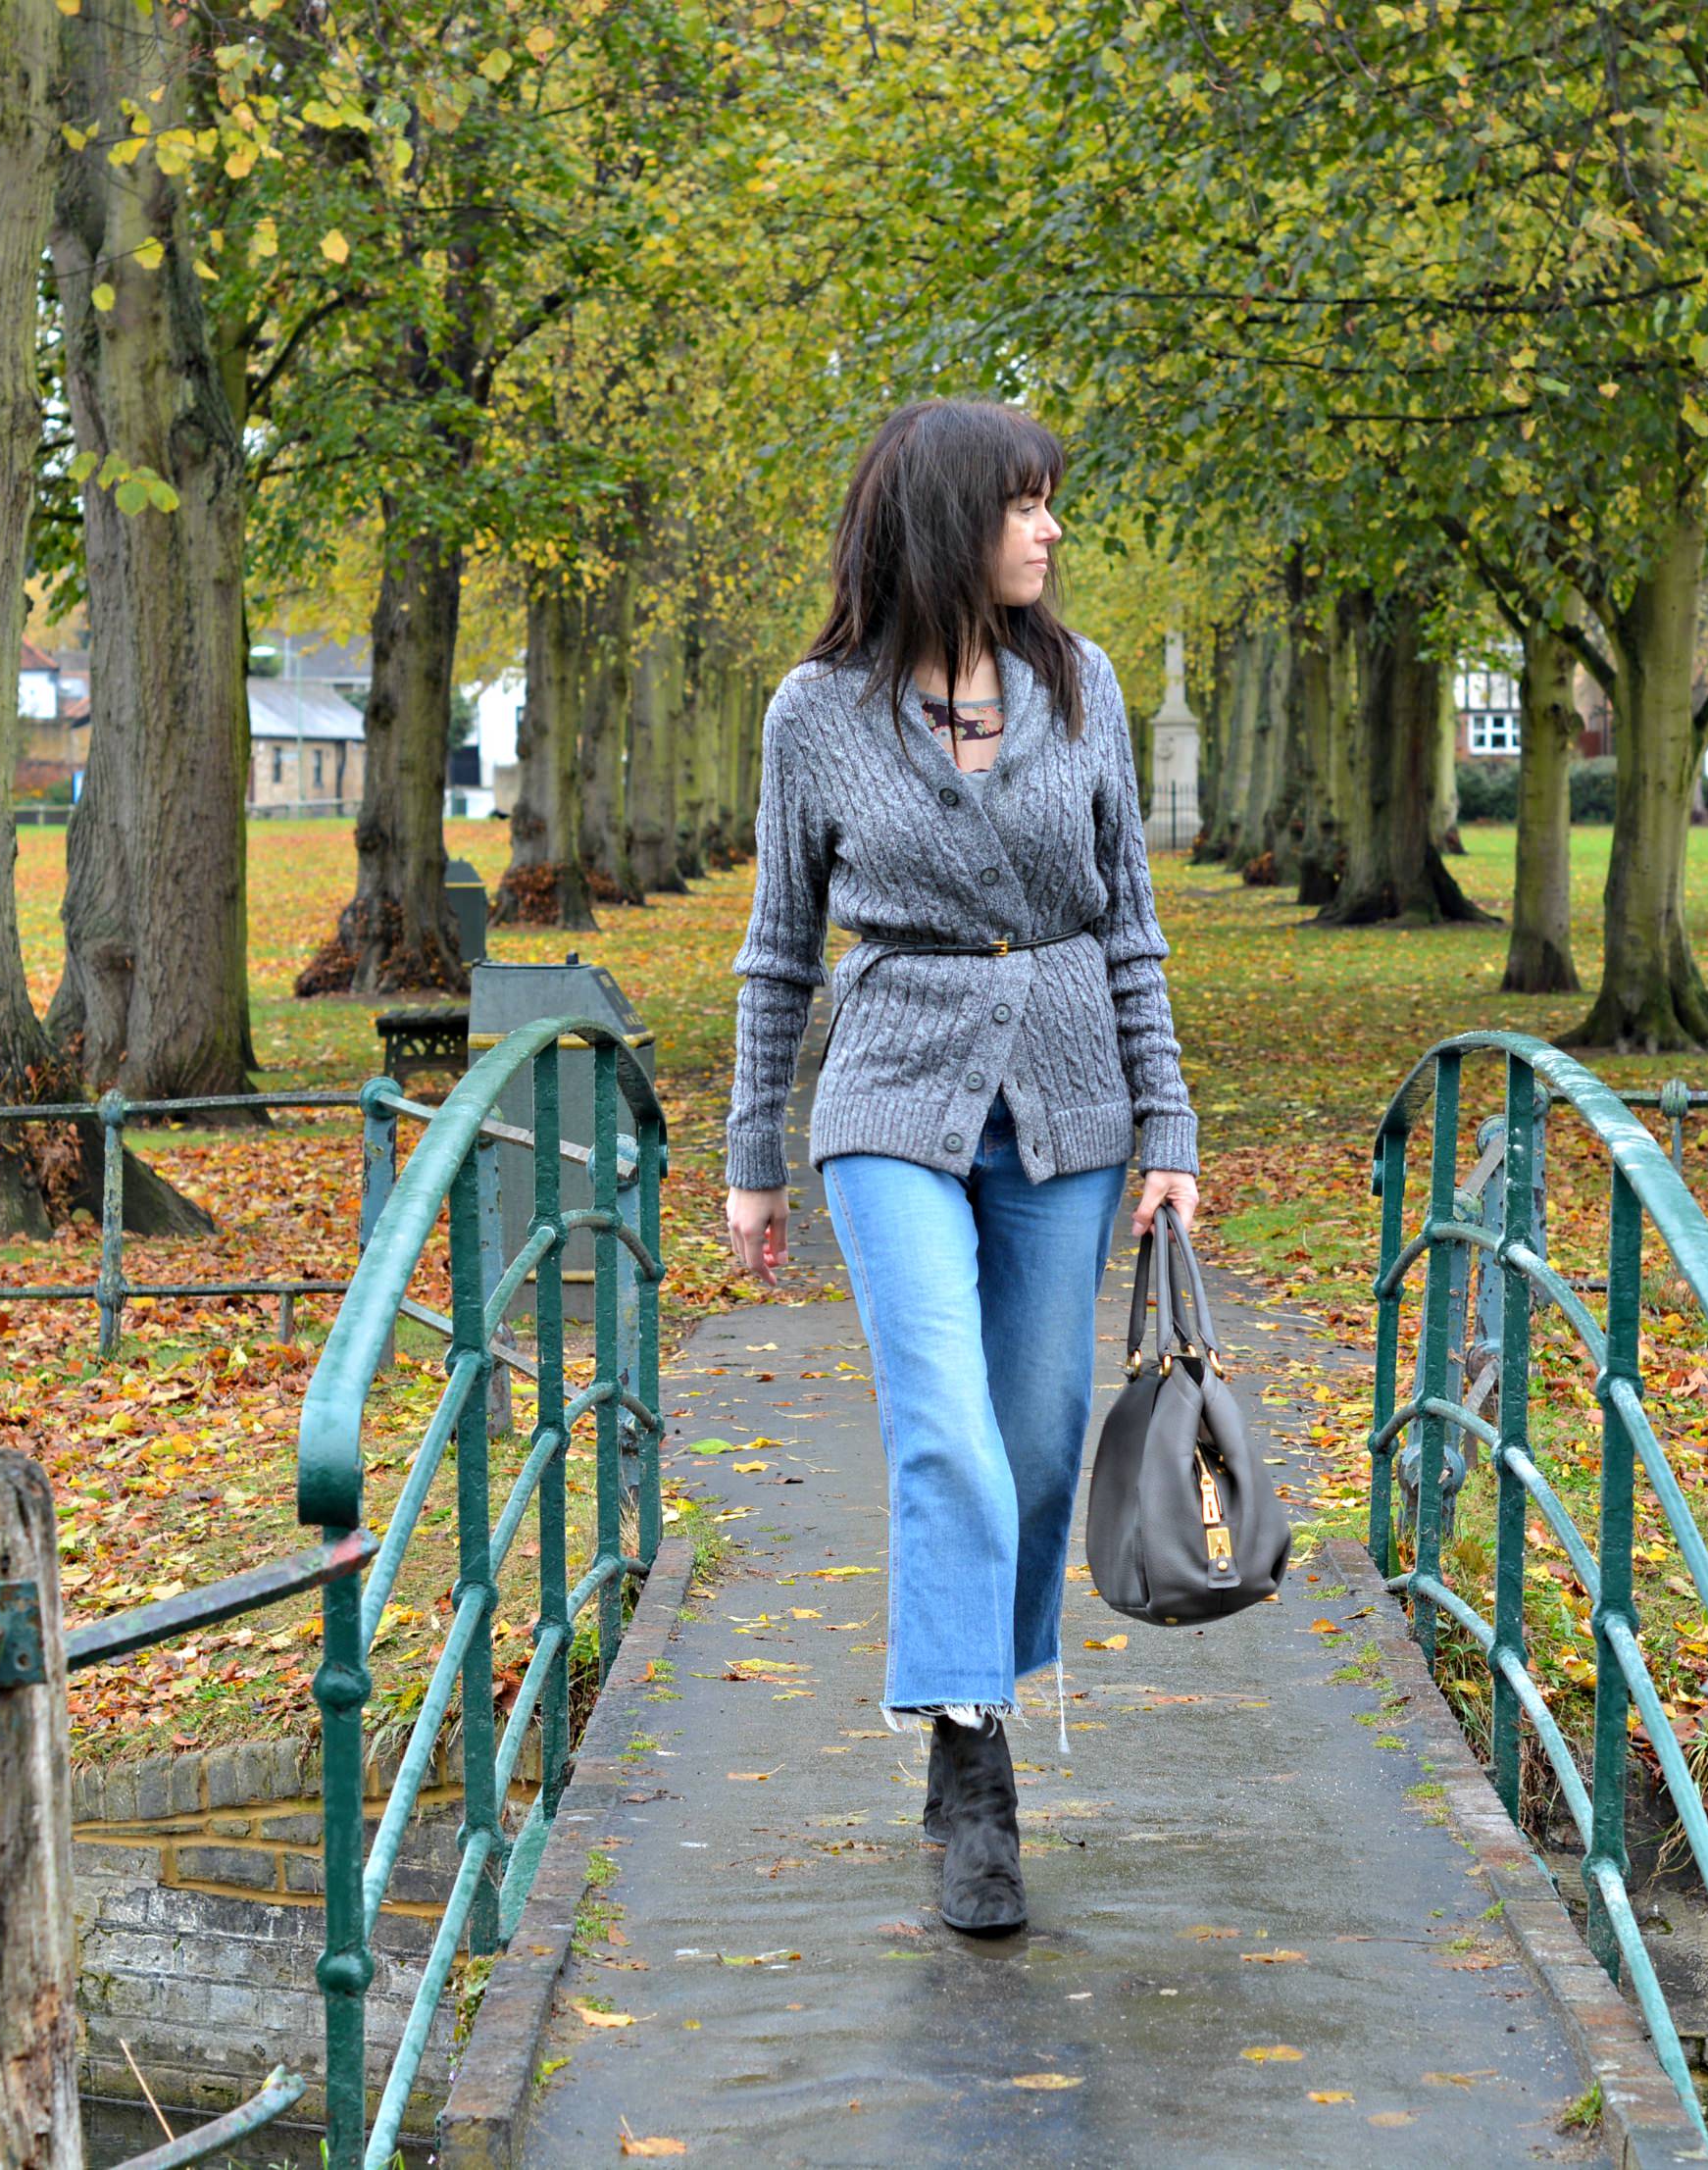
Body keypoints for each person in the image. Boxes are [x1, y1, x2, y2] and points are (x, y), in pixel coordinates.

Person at [722, 398, 1201, 1937]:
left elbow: (1129, 917)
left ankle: (967, 1689)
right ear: (943, 521)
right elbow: (776, 949)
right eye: (1024, 506)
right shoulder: (816, 713)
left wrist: (1169, 1129)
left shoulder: (1080, 686)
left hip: (1064, 1093)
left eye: (1053, 504)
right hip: (891, 1093)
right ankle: (972, 1756)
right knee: (945, 1428)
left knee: (1044, 1438)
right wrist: (754, 1158)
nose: (1050, 531)